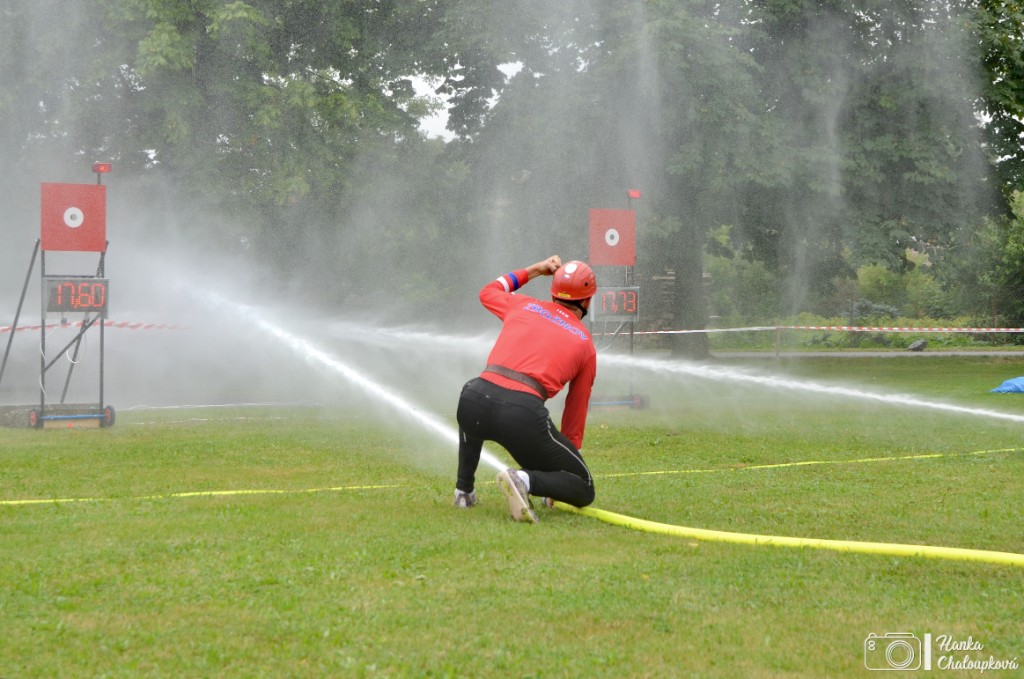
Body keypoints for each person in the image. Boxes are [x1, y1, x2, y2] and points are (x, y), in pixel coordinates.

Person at [453, 255, 598, 523]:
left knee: (474, 402)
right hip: (521, 416)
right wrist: (561, 473)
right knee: (585, 485)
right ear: (588, 301)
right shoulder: (585, 344)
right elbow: (575, 412)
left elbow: (488, 292)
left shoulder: (524, 305)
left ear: (553, 292)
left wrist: (535, 270)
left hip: (474, 398)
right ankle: (523, 480)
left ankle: (464, 492)